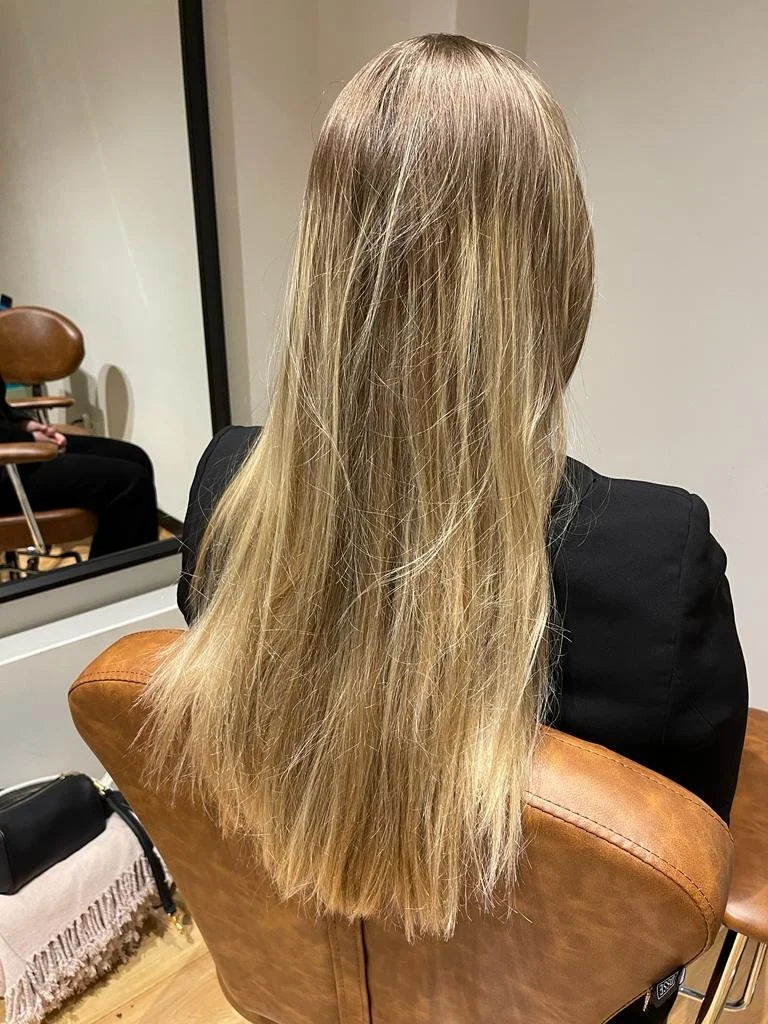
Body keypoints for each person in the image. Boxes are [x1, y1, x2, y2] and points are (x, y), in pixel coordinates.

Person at [146, 35, 748, 1023]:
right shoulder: (659, 561)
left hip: (326, 985)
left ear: (323, 257)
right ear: (558, 262)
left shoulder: (223, 490)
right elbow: (680, 888)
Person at [0, 373, 158, 558]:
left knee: (136, 457)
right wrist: (28, 438)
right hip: (4, 471)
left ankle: (132, 572)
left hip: (8, 438)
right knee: (130, 482)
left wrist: (24, 424)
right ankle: (110, 576)